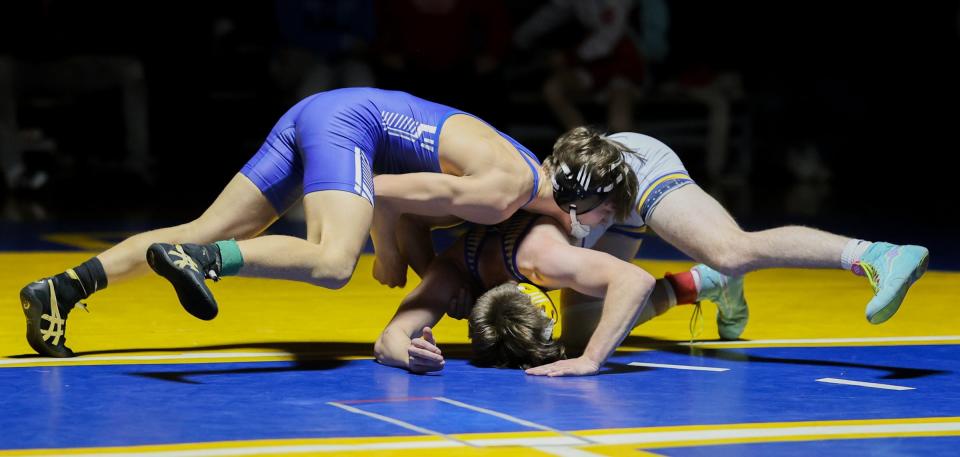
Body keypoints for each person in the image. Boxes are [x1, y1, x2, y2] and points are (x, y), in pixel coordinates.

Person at [17, 89, 636, 358]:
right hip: (348, 130)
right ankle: (208, 264)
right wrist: (386, 251)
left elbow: (415, 211)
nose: (609, 226)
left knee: (201, 226)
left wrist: (433, 272)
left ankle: (62, 289)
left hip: (327, 117)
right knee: (335, 263)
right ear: (587, 202)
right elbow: (387, 192)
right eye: (611, 213)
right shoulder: (505, 195)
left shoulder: (520, 179)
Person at [568, 132, 929, 339]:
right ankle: (703, 283)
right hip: (587, 205)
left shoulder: (531, 215)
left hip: (622, 169)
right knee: (584, 334)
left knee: (729, 251)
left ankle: (876, 255)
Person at [374, 206, 720, 375]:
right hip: (579, 205)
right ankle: (701, 282)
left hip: (618, 196)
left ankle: (708, 279)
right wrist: (410, 356)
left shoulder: (542, 261)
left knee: (585, 337)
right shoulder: (450, 274)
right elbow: (388, 338)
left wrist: (591, 360)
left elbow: (635, 280)